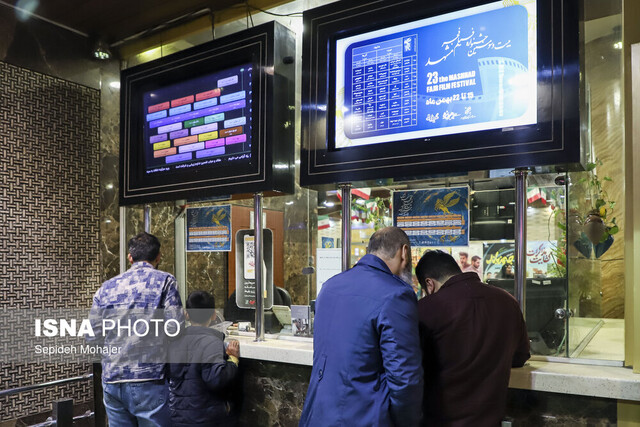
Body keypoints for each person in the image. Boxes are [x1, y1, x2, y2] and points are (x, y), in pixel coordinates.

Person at [300, 226, 423, 427]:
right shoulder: (396, 294)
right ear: (404, 252)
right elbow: (404, 378)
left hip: (318, 414)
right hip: (364, 417)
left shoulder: (329, 286)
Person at [415, 250, 530, 426]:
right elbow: (520, 358)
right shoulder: (508, 301)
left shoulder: (425, 309)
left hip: (440, 421)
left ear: (429, 284)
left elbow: (411, 367)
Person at [90, 232, 184, 426]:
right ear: (158, 257)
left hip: (112, 379)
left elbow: (92, 336)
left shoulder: (106, 287)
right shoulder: (165, 281)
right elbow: (175, 329)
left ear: (130, 257)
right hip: (149, 378)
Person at [167, 291, 241, 427]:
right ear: (214, 315)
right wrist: (232, 359)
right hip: (205, 418)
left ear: (186, 314)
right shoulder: (211, 342)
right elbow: (216, 379)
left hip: (178, 416)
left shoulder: (175, 340)